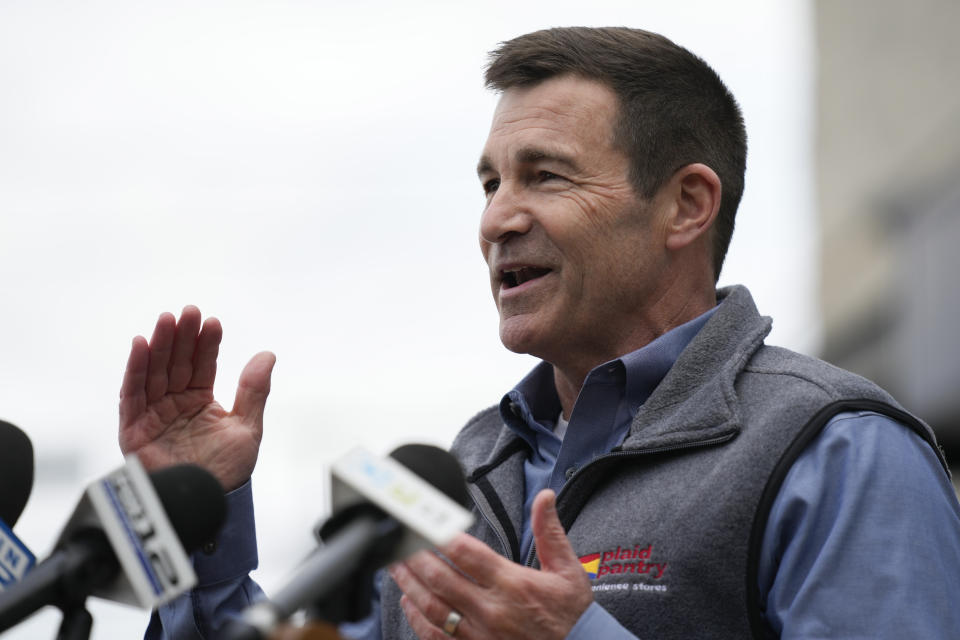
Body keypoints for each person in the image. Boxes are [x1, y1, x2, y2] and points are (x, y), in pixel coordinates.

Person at [119, 27, 960, 640]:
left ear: (686, 206)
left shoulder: (838, 451)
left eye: (544, 176)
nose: (496, 219)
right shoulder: (465, 470)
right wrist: (197, 523)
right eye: (489, 183)